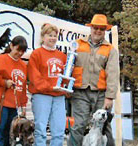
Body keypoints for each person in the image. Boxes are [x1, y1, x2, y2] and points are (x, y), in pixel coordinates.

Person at [68, 14, 119, 146]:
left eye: (101, 29)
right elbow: (68, 67)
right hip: (80, 92)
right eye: (95, 28)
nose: (98, 31)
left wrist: (110, 97)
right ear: (91, 28)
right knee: (77, 126)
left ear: (105, 31)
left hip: (101, 95)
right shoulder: (77, 44)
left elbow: (113, 74)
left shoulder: (111, 50)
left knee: (105, 128)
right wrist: (67, 87)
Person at [27, 23, 67, 146]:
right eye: (50, 35)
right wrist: (50, 87)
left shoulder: (62, 56)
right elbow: (34, 77)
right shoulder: (36, 54)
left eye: (55, 36)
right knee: (41, 129)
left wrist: (64, 87)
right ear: (43, 37)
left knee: (59, 130)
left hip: (59, 96)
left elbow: (66, 76)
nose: (53, 38)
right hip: (42, 95)